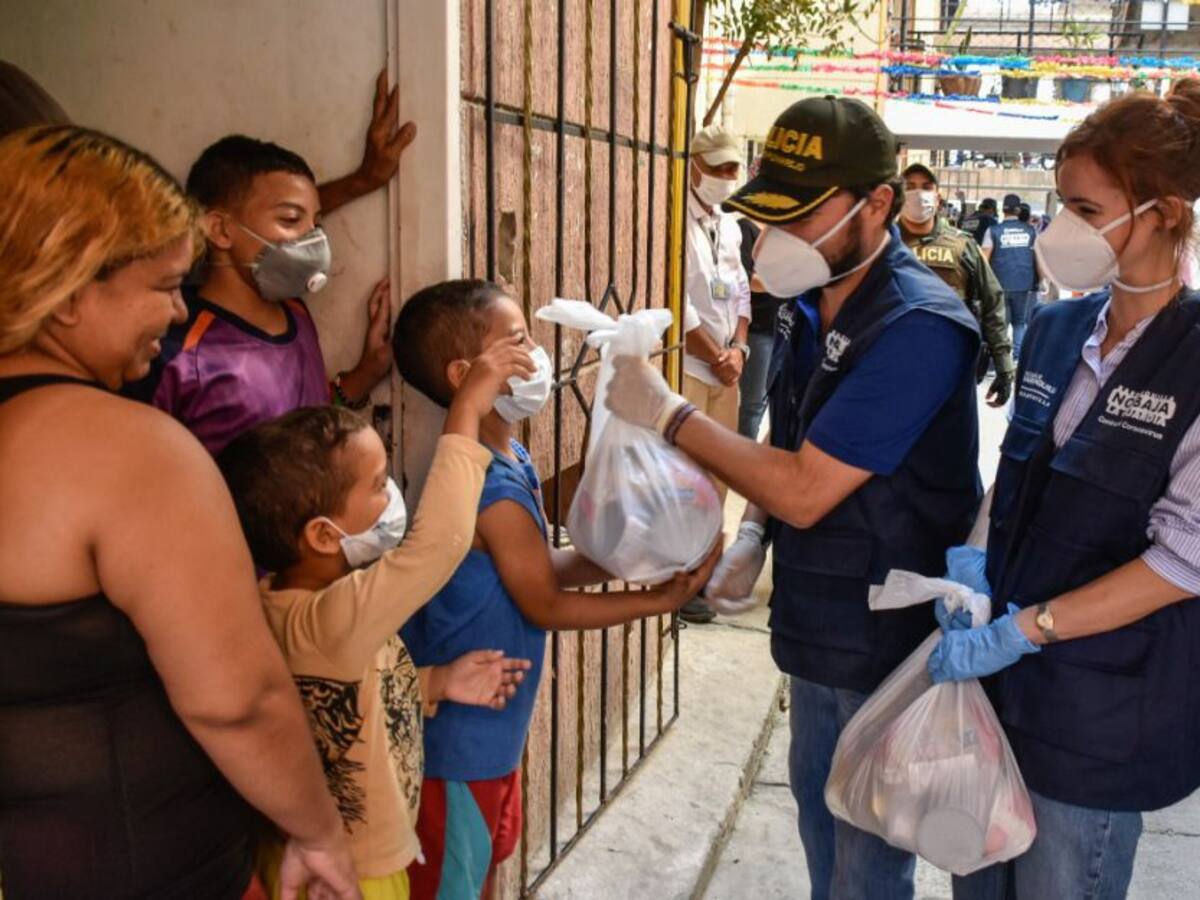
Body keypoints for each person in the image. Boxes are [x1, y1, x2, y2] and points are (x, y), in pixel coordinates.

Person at [604, 96, 982, 900]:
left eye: (798, 217)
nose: (771, 242)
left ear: (877, 205)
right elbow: (792, 435)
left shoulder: (919, 326)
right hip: (819, 623)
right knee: (822, 830)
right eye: (767, 218)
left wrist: (670, 416)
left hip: (884, 636)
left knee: (865, 862)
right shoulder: (816, 303)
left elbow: (809, 488)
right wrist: (751, 537)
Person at [0, 125, 360, 899]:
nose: (174, 314)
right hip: (145, 865)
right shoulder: (129, 453)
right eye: (164, 286)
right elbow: (239, 703)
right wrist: (317, 829)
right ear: (70, 292)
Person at [929, 79, 1200, 900]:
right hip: (997, 701)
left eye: (1085, 211)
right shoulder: (1055, 329)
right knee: (974, 877)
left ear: (1165, 215)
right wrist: (971, 563)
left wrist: (1032, 629)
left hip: (1101, 718)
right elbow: (1012, 471)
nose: (1059, 231)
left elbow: (1185, 559)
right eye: (1059, 206)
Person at [390, 279, 720, 900]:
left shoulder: (506, 454)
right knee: (453, 882)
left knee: (480, 870)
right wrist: (657, 601)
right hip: (457, 746)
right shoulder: (483, 485)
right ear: (466, 373)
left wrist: (626, 560)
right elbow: (543, 602)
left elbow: (538, 569)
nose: (536, 355)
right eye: (517, 342)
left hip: (490, 737)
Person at [218, 360, 538, 900]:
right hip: (355, 873)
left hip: (317, 855)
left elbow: (341, 701)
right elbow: (438, 546)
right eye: (376, 485)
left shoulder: (283, 606)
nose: (391, 493)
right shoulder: (332, 618)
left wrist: (435, 684)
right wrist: (466, 410)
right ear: (323, 535)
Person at [122, 134, 396, 455]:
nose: (315, 240)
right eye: (292, 220)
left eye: (317, 222)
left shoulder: (294, 311)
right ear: (221, 231)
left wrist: (366, 373)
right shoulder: (174, 353)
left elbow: (308, 420)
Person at [898, 163, 1015, 407]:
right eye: (910, 187)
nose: (918, 194)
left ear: (938, 198)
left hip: (951, 368)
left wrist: (1004, 367)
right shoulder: (883, 244)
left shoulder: (962, 245)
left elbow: (992, 301)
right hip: (893, 366)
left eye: (926, 187)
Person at [736, 215, 787, 438]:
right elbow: (746, 279)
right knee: (753, 403)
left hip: (782, 329)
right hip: (758, 330)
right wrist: (781, 283)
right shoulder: (745, 229)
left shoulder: (783, 232)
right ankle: (742, 458)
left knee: (768, 400)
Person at [982, 193, 1040, 360]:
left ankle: (999, 358)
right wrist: (1042, 280)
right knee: (1019, 322)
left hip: (999, 284)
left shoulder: (993, 231)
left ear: (1003, 210)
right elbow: (1038, 258)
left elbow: (984, 258)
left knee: (1001, 323)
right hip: (1023, 283)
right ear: (1018, 210)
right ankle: (1017, 357)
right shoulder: (1031, 231)